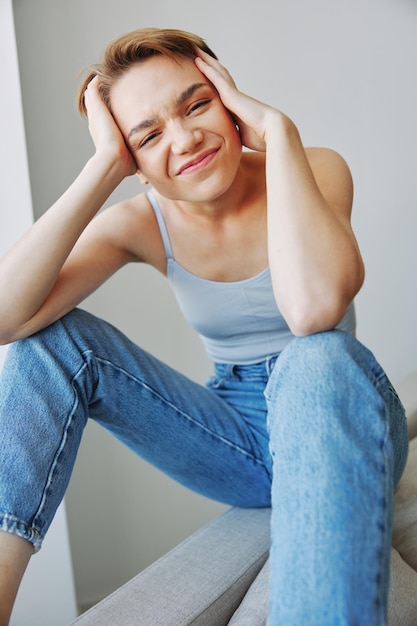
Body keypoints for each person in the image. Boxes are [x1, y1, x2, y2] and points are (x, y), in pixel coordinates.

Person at [0, 27, 408, 625]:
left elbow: (313, 313)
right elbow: (9, 319)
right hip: (236, 438)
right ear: (131, 160)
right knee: (53, 342)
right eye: (149, 135)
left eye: (197, 104)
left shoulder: (313, 169)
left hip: (335, 412)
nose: (187, 138)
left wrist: (281, 134)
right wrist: (101, 169)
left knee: (316, 354)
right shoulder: (141, 222)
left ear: (228, 97)